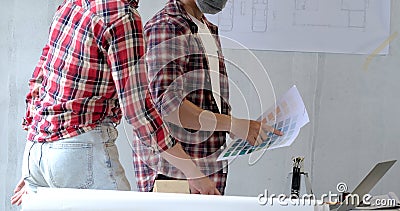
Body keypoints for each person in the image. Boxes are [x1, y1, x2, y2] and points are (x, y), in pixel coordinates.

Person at [10, 0, 219, 205]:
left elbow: (39, 81)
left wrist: (40, 161)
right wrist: (192, 172)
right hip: (81, 149)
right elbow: (139, 111)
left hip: (38, 149)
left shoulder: (72, 3)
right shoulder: (122, 16)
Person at [132, 0, 283, 195]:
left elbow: (209, 99)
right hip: (174, 175)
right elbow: (168, 107)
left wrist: (238, 129)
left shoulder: (205, 28)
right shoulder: (167, 26)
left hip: (207, 169)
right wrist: (232, 124)